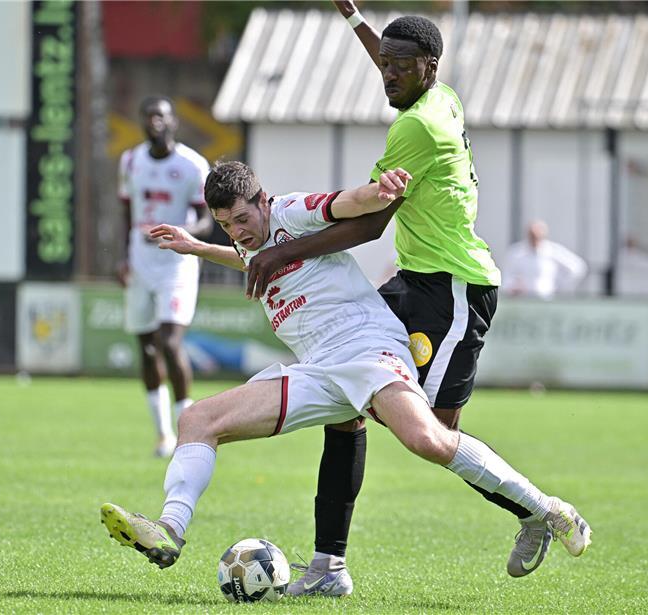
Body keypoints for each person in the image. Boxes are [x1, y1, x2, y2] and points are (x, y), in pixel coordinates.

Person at [100, 161, 591, 583]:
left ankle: (548, 510)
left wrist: (380, 191)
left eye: (244, 218)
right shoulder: (249, 240)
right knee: (196, 421)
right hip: (317, 369)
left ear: (264, 201)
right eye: (226, 225)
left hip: (366, 348)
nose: (239, 232)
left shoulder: (291, 212)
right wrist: (198, 246)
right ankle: (169, 530)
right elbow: (247, 255)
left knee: (429, 440)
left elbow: (344, 203)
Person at [241, 2, 571, 593]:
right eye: (384, 64)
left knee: (435, 434)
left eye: (399, 66)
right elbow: (393, 57)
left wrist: (278, 252)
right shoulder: (436, 95)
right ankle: (328, 569)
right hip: (415, 281)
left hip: (452, 291)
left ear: (429, 66)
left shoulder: (416, 128)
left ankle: (533, 510)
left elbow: (369, 224)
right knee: (348, 402)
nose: (387, 74)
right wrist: (355, 21)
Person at [117, 96, 212, 457]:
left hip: (176, 260)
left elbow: (209, 217)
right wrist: (124, 257)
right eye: (148, 116)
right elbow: (125, 210)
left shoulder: (191, 165)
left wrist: (187, 232)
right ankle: (162, 434)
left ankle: (187, 429)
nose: (154, 121)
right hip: (140, 259)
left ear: (173, 122)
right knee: (146, 346)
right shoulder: (130, 160)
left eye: (161, 116)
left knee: (170, 342)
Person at [503, 220, 588, 299]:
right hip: (523, 300)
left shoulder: (553, 250)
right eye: (532, 236)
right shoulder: (516, 252)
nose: (535, 239)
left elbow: (577, 267)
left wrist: (559, 286)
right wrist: (513, 286)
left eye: (537, 236)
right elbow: (507, 276)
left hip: (547, 300)